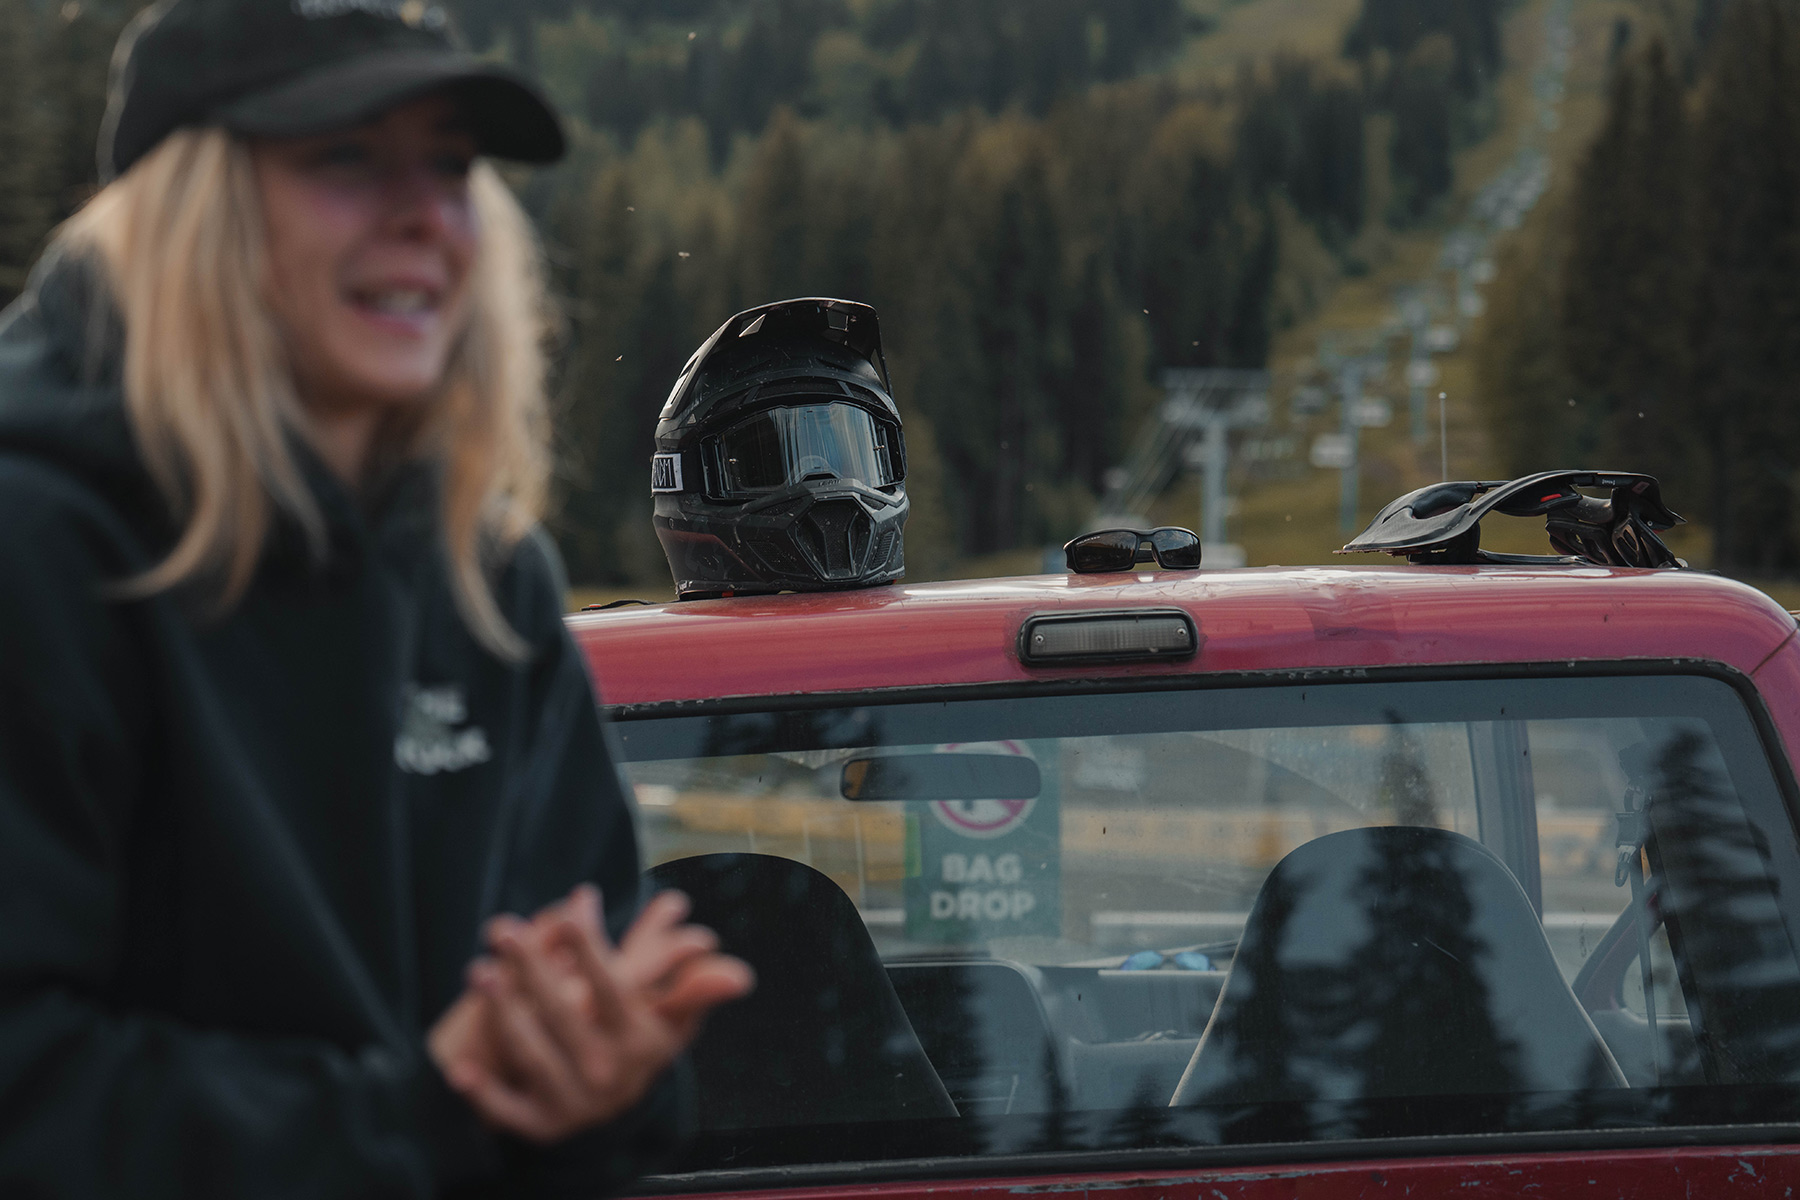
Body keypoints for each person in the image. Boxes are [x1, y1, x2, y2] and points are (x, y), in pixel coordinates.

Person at [0, 0, 751, 1196]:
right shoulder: (38, 543)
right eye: (346, 156)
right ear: (192, 210)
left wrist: (609, 1075)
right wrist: (427, 1119)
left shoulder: (485, 579)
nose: (424, 217)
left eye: (450, 164)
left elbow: (579, 1080)